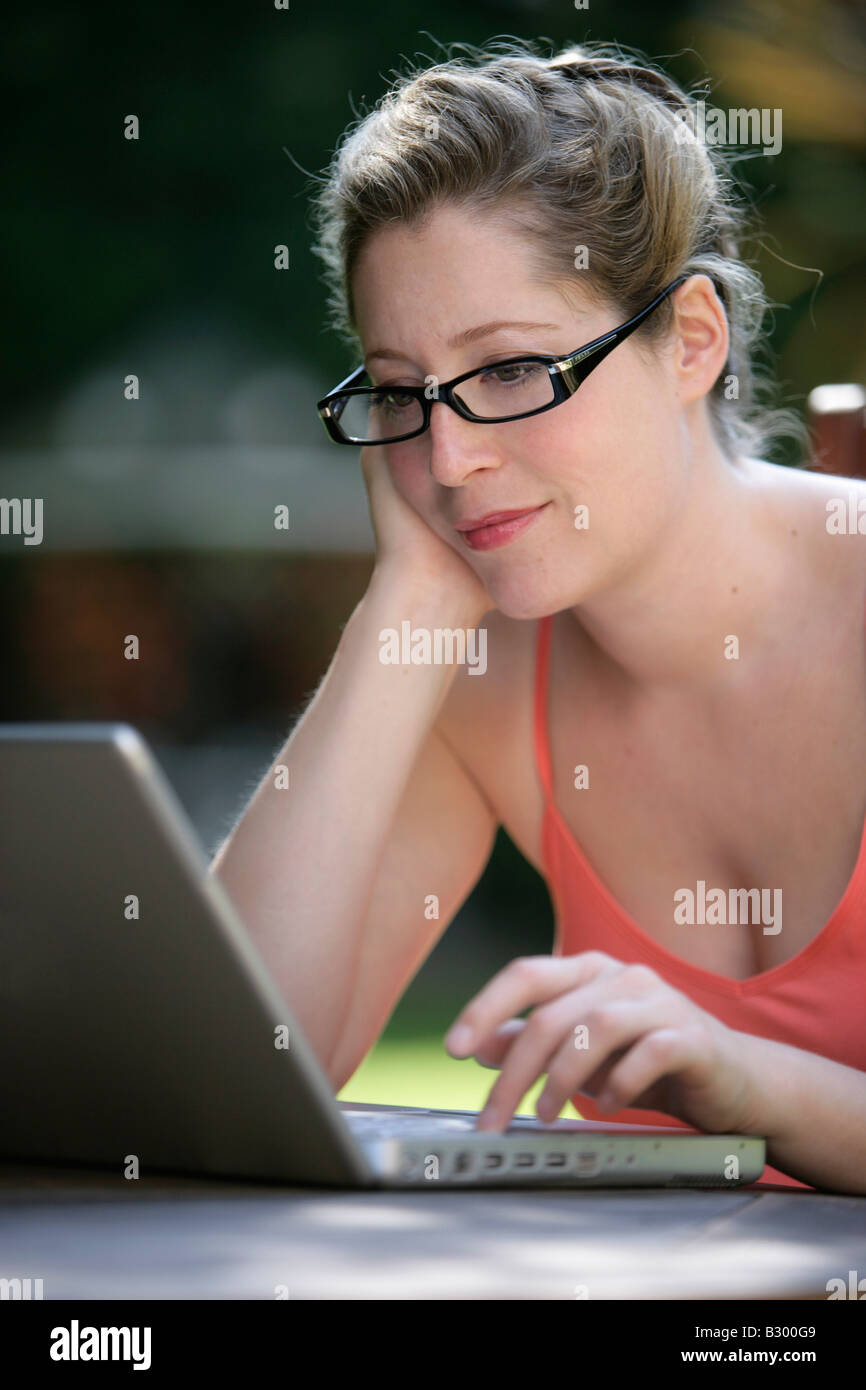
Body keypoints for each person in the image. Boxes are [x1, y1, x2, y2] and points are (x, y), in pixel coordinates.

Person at [211, 39, 866, 1192]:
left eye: (510, 369)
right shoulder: (481, 692)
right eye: (401, 392)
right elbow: (222, 1070)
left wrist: (745, 1079)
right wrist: (405, 598)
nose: (451, 458)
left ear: (691, 343)